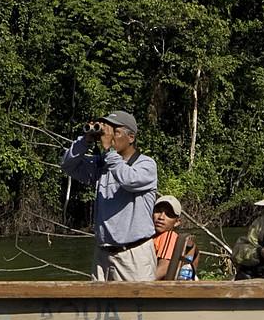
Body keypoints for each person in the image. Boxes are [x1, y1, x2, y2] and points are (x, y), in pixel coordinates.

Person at [61, 110, 158, 281]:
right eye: (107, 131)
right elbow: (68, 166)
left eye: (116, 132)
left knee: (137, 307)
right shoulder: (103, 166)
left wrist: (108, 152)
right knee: (100, 307)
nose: (110, 137)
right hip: (103, 254)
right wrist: (86, 140)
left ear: (131, 137)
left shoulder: (146, 165)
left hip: (134, 255)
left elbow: (129, 180)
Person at [151, 195, 195, 278]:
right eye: (158, 211)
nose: (161, 217)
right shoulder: (150, 236)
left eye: (168, 214)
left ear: (177, 222)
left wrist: (140, 284)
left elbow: (164, 268)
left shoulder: (168, 236)